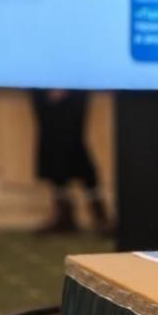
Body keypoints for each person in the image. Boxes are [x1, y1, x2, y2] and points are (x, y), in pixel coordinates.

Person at [30, 89, 111, 234]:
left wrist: (63, 83)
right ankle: (64, 214)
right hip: (42, 83)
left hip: (71, 84)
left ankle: (99, 212)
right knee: (50, 142)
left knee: (72, 142)